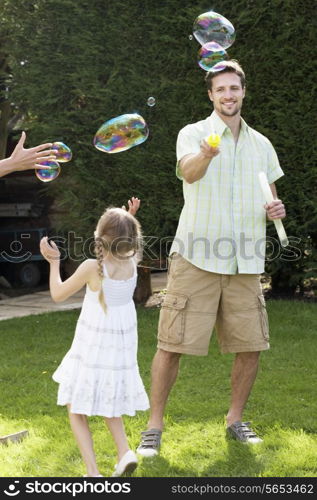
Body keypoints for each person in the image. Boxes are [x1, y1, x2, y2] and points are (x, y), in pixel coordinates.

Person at [137, 60, 286, 457]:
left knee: (251, 344)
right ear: (211, 95)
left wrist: (275, 209)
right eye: (221, 90)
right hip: (198, 256)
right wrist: (205, 154)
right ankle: (154, 426)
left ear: (243, 91)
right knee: (171, 344)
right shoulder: (195, 133)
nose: (228, 95)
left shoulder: (262, 144)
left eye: (234, 88)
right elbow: (188, 173)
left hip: (246, 260)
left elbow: (269, 193)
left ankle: (235, 418)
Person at [40, 197, 149, 477]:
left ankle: (92, 472)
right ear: (131, 239)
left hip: (93, 348)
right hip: (118, 351)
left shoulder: (92, 267)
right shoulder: (133, 262)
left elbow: (57, 294)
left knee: (75, 406)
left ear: (99, 238)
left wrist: (54, 262)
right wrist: (128, 217)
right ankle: (124, 452)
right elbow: (125, 240)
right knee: (108, 399)